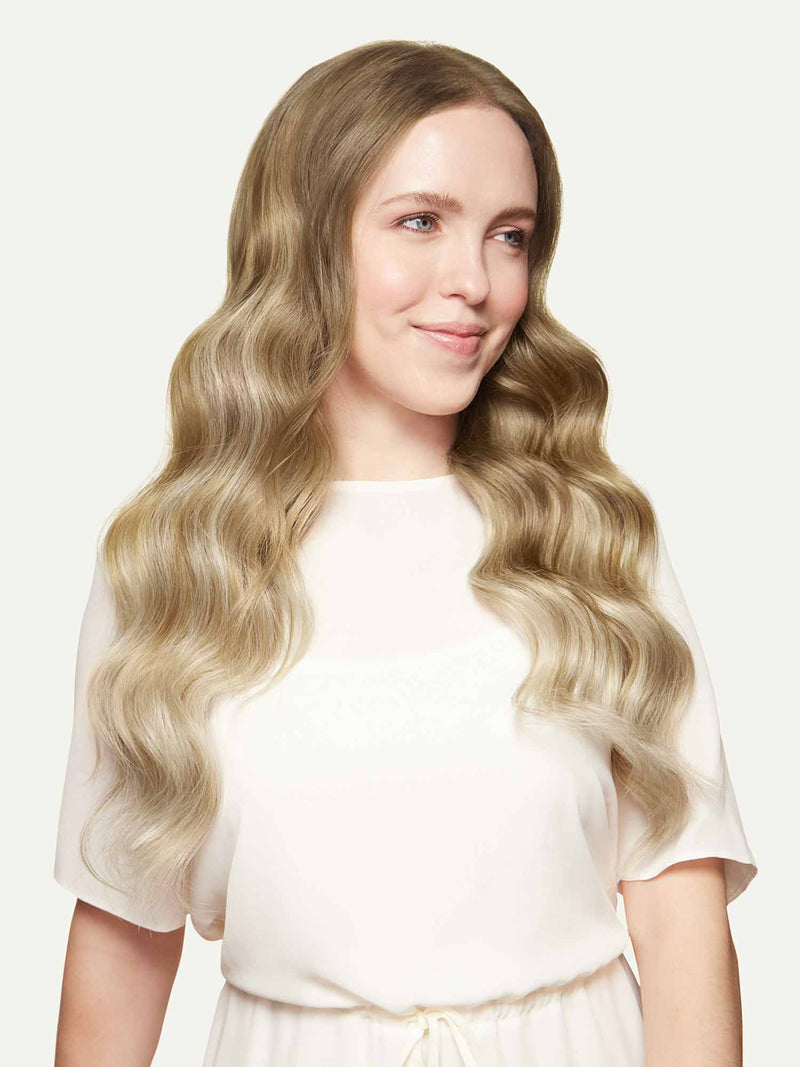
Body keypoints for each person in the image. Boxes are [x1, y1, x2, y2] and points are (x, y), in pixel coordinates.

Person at [53, 39, 758, 1067]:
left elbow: (679, 910)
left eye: (510, 236)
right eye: (420, 222)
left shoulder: (591, 536)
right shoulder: (178, 559)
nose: (474, 282)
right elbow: (123, 932)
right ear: (306, 241)